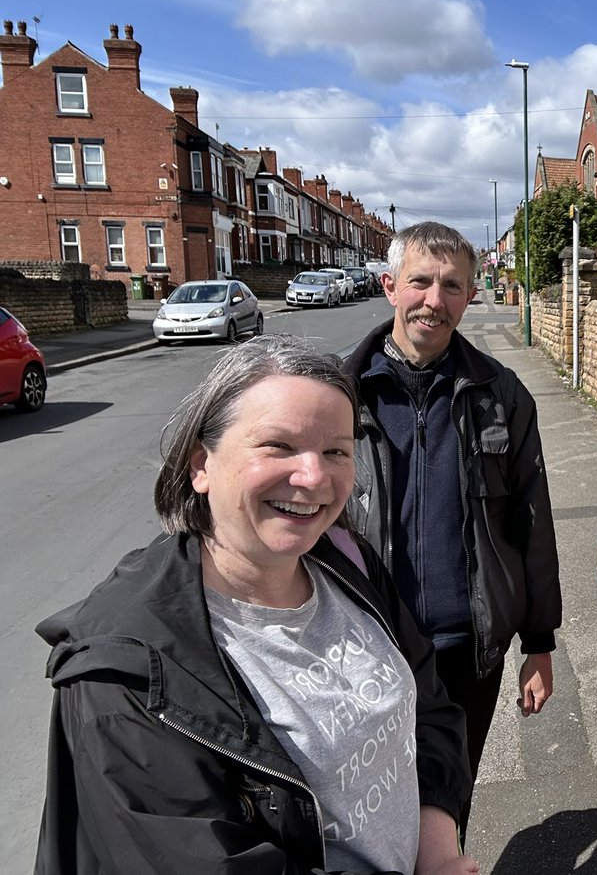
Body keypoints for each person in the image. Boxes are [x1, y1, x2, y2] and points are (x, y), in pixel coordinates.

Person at [34, 335, 477, 875]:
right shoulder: (127, 675)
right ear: (201, 464)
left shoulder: (342, 558)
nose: (314, 477)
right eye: (279, 446)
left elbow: (428, 703)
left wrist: (436, 848)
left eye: (336, 450)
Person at [344, 221, 561, 835]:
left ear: (470, 295)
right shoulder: (337, 391)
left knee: (448, 805)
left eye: (452, 286)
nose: (434, 301)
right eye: (420, 282)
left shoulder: (502, 394)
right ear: (390, 287)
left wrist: (539, 644)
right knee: (366, 810)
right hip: (365, 648)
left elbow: (532, 523)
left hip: (467, 651)